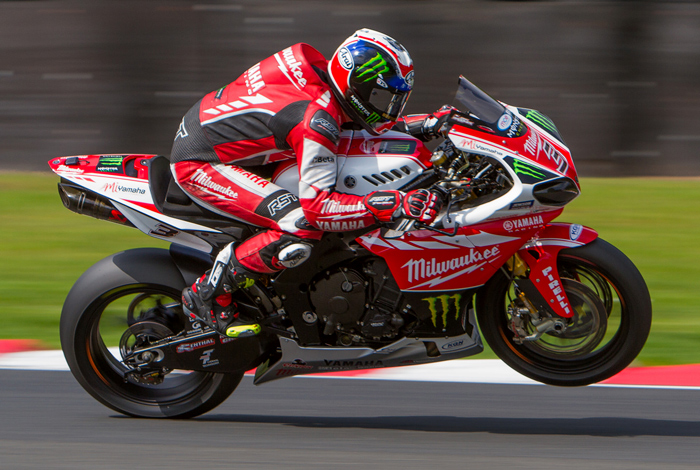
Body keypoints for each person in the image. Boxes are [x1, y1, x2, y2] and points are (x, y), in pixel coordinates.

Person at [170, 28, 449, 336]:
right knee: (301, 225)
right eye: (379, 98)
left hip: (223, 134)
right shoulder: (315, 119)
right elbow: (320, 208)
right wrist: (388, 205)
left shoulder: (322, 74)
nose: (386, 109)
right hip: (202, 163)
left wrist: (424, 124)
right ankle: (207, 293)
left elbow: (354, 124)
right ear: (353, 84)